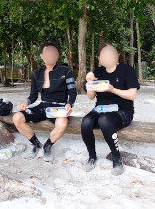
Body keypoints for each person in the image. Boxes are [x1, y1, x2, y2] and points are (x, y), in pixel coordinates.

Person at [81, 43, 140, 176]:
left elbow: (132, 95)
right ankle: (92, 156)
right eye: (105, 54)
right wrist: (89, 83)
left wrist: (113, 89)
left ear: (116, 56)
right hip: (101, 109)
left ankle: (117, 158)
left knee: (104, 120)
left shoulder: (126, 70)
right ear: (100, 59)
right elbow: (91, 97)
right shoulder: (98, 72)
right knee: (85, 122)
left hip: (123, 111)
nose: (109, 56)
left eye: (111, 53)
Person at [13, 41, 77, 162]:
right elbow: (33, 95)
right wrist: (26, 102)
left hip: (59, 107)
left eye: (54, 52)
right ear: (42, 56)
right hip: (43, 106)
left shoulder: (65, 71)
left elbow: (72, 91)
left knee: (62, 124)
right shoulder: (37, 73)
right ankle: (36, 144)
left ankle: (48, 145)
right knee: (17, 117)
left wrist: (69, 104)